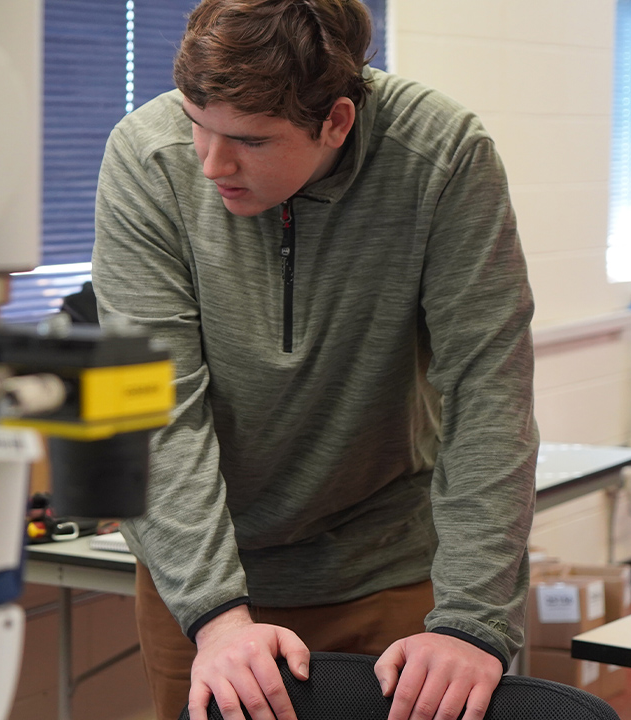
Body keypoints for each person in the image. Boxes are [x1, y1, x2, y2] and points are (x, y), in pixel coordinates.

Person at [90, 3, 538, 720]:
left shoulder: (441, 155)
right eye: (196, 122)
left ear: (335, 122)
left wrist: (470, 621)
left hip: (386, 563)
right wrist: (216, 615)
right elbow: (152, 406)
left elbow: (490, 393)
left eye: (249, 140)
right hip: (200, 576)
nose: (211, 163)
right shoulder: (147, 155)